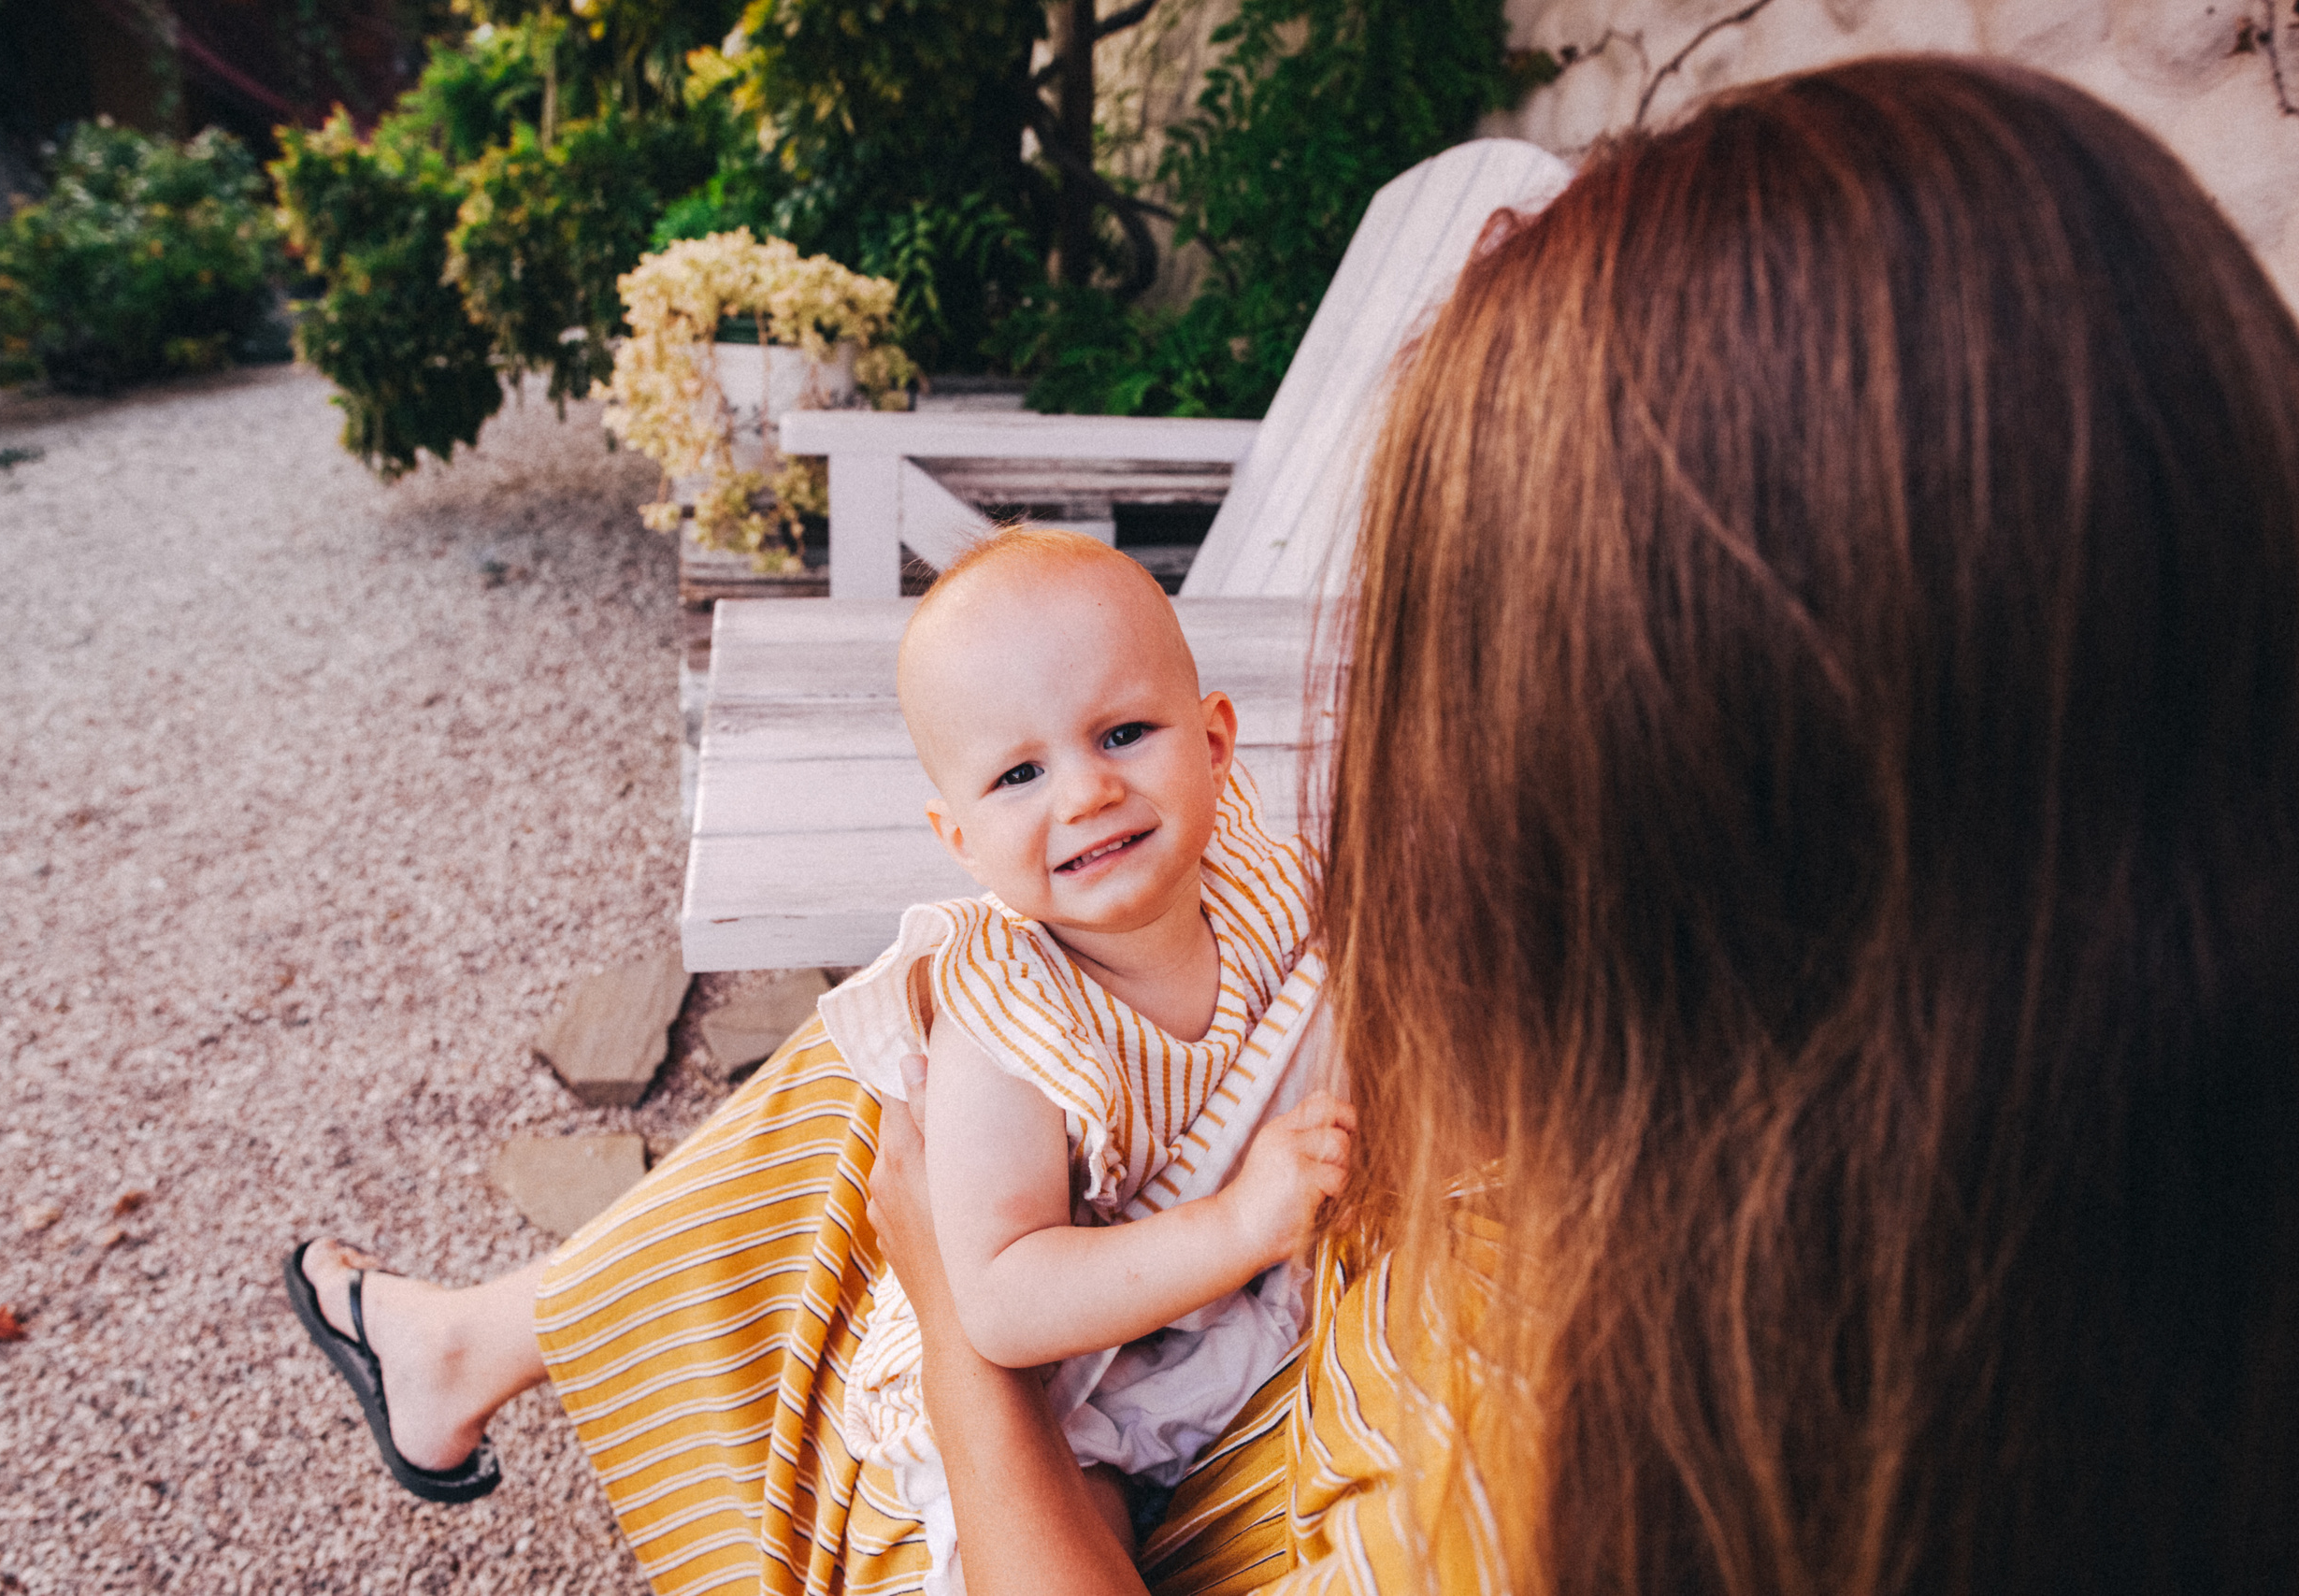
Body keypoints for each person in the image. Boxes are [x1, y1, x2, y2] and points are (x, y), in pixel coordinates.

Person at [288, 54, 2299, 1596]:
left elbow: (1018, 1298)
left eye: (1461, 667)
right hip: (1246, 1244)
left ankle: (487, 1348)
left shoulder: (1624, 1458)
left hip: (1111, 1452)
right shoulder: (2059, 1127)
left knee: (892, 1131)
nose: (1431, 746)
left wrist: (979, 1359)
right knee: (940, 1011)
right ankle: (471, 1345)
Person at [817, 527, 1354, 1589]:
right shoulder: (1008, 1024)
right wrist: (1238, 1222)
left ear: (1212, 745)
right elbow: (1002, 1302)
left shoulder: (1260, 878)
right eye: (1019, 772)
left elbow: (1335, 992)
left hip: (1206, 1313)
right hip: (1070, 1384)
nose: (1084, 794)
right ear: (958, 837)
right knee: (1085, 1523)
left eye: (1122, 733)